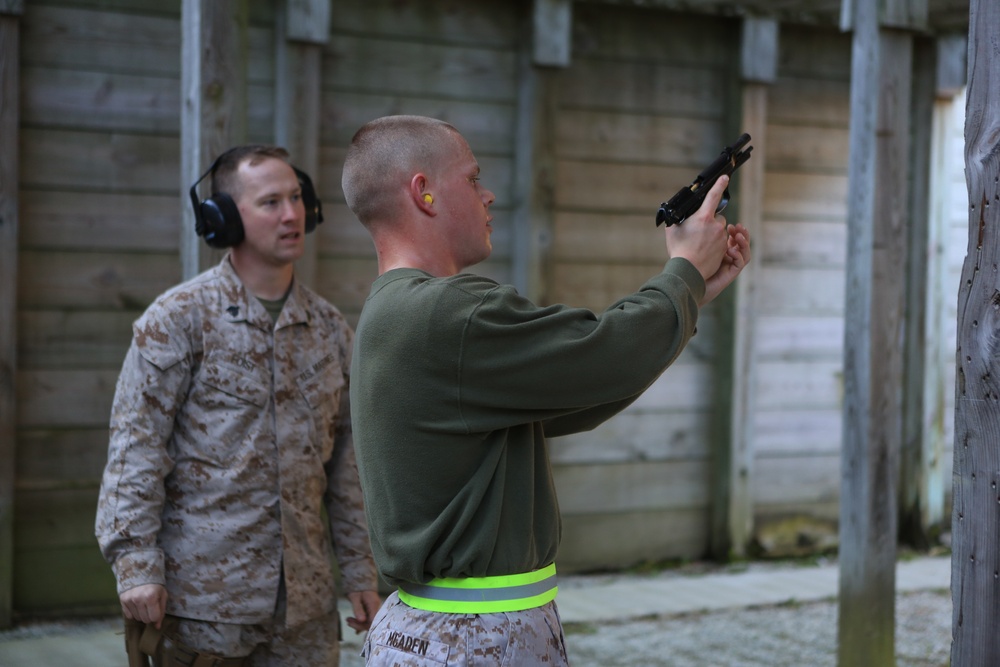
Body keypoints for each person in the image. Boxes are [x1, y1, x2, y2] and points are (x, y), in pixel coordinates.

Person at [340, 115, 751, 665]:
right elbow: (602, 355)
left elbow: (578, 390)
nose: (488, 196)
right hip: (475, 637)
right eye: (472, 178)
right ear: (424, 192)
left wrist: (690, 292)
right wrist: (681, 273)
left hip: (442, 631)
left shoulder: (394, 312)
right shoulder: (446, 313)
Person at [96, 144, 381, 667]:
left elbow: (349, 466)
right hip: (204, 607)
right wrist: (136, 565)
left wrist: (361, 572)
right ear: (223, 218)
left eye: (297, 198)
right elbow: (135, 448)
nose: (292, 214)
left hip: (307, 612)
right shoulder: (178, 319)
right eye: (270, 202)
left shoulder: (330, 329)